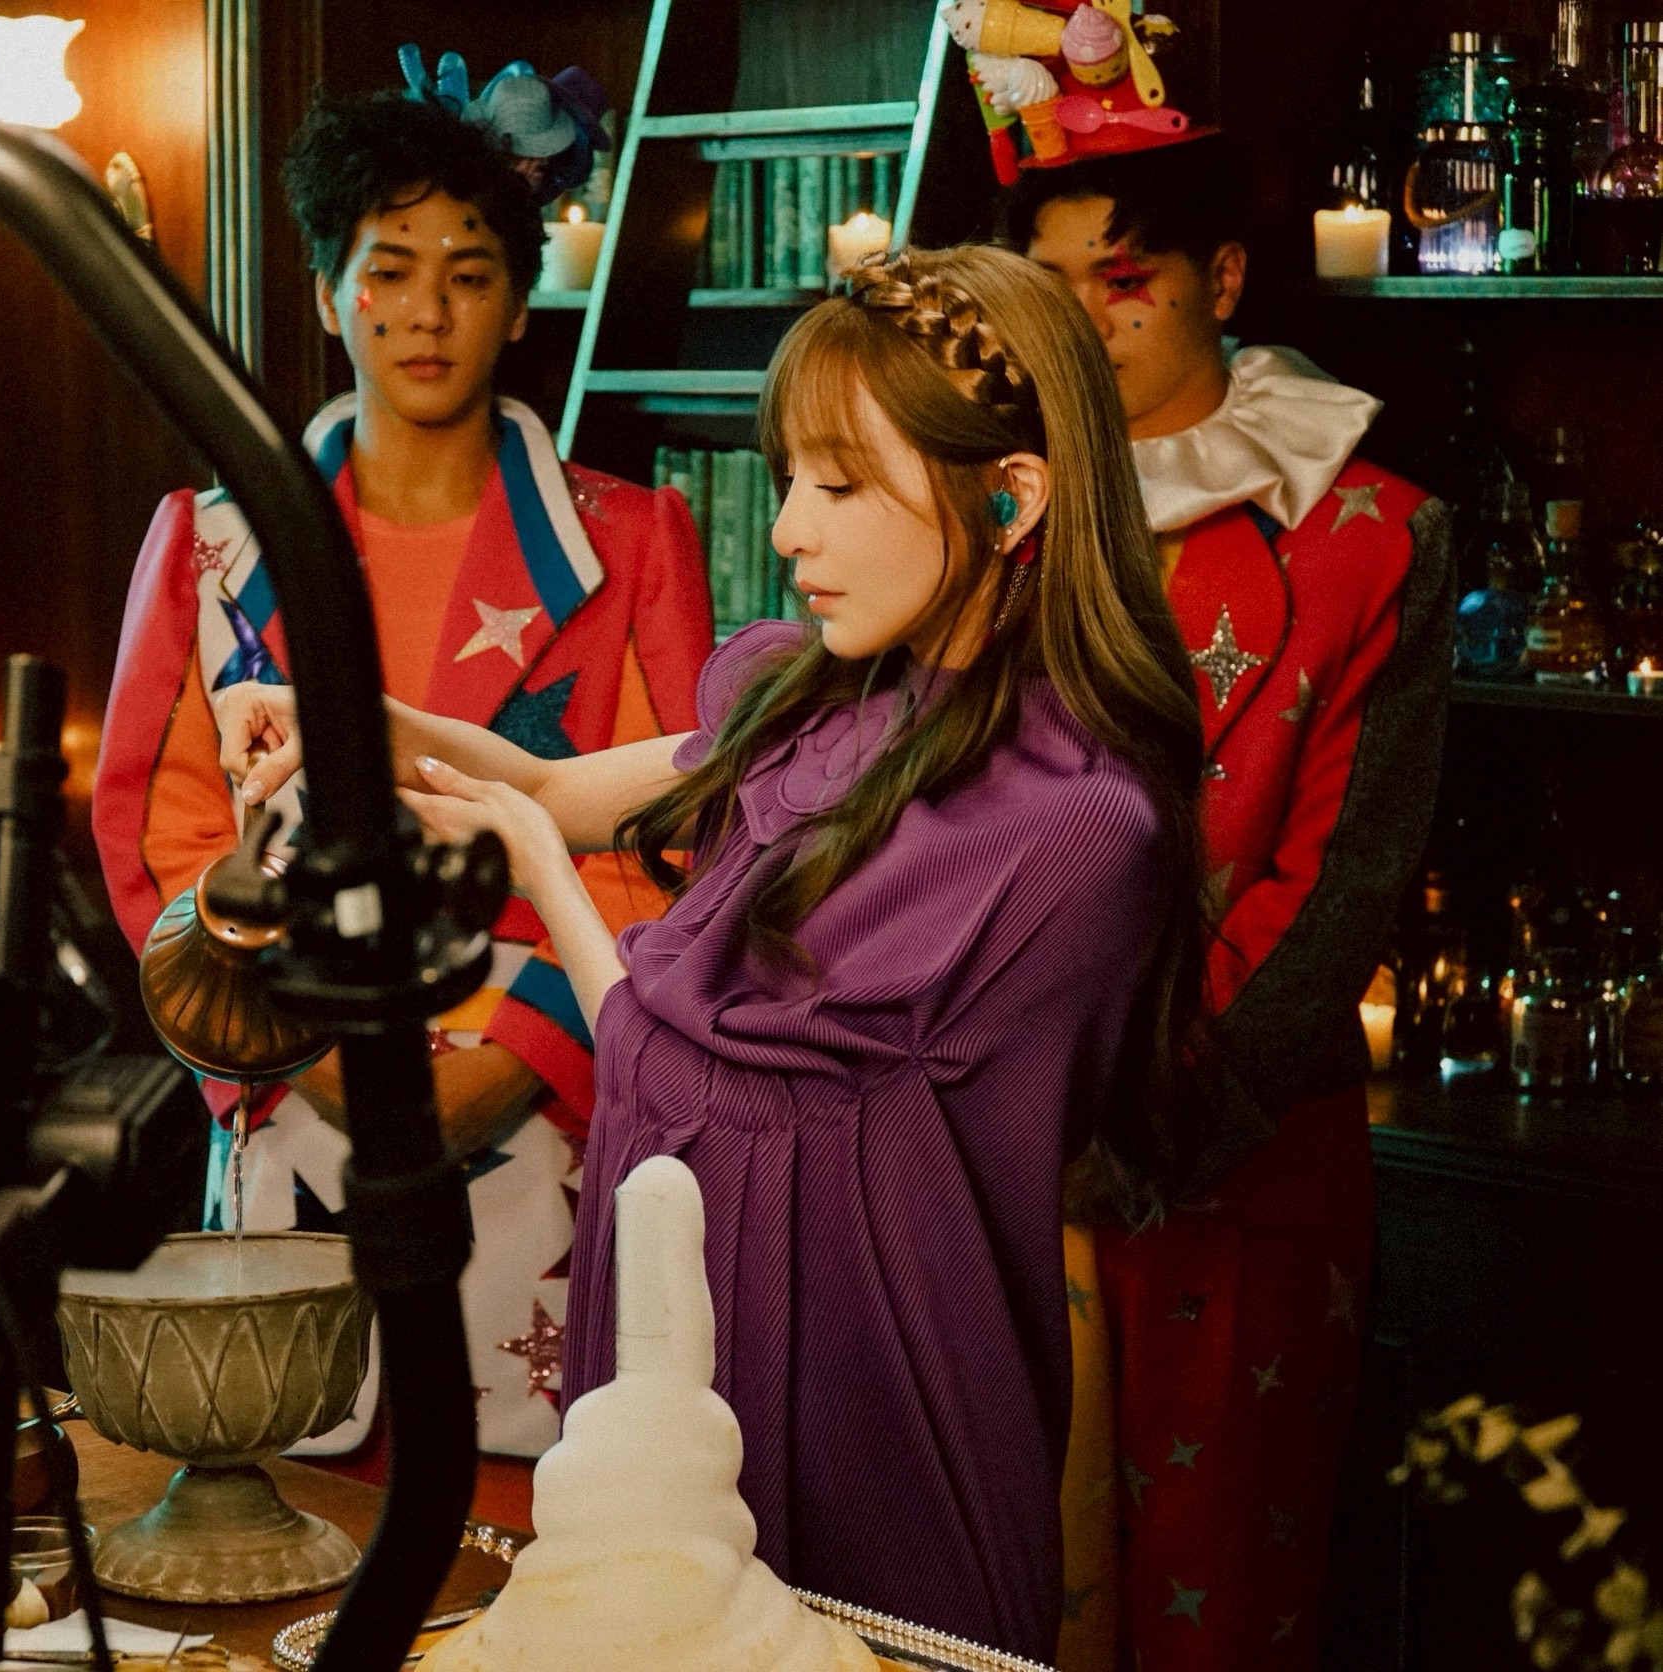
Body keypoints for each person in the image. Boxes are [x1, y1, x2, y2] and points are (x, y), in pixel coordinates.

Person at [215, 244, 1212, 1658]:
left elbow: (715, 1084)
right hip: (692, 1317)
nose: (790, 529)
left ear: (1012, 495)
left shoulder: (1070, 821)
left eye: (841, 485)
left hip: (872, 1390)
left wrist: (538, 868)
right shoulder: (829, 695)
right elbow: (552, 786)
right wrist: (350, 717)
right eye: (790, 477)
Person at [91, 77, 712, 1458]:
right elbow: (157, 836)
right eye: (388, 270)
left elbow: (670, 833)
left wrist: (520, 1057)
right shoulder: (208, 544)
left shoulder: (633, 538)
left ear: (521, 303)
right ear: (329, 295)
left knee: (544, 1510)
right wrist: (302, 1046)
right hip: (288, 1079)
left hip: (544, 1108)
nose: (427, 313)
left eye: (469, 275)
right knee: (288, 1490)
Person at [1011, 135, 1453, 1668]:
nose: (1084, 320)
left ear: (1222, 277)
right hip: (990, 1151)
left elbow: (1338, 890)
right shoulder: (989, 510)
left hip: (1235, 1161)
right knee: (1002, 1608)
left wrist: (1138, 1130)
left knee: (1221, 1617)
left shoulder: (1369, 533)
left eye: (1121, 280)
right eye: (1051, 286)